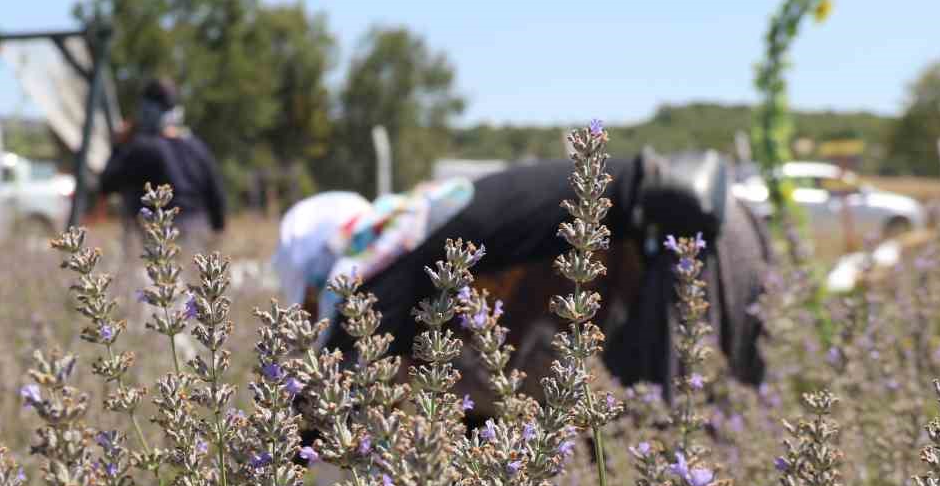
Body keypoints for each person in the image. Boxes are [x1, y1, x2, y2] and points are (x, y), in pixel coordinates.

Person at [308, 148, 774, 417]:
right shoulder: (411, 222)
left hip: (680, 234)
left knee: (667, 436)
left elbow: (346, 403)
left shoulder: (372, 288)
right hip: (727, 218)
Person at [95, 77, 227, 260]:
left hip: (155, 238)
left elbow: (107, 183)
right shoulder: (197, 146)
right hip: (198, 234)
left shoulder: (141, 148)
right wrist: (216, 236)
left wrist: (118, 145)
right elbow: (217, 198)